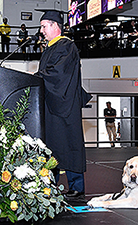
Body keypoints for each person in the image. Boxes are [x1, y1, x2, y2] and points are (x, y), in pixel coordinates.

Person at [35, 10, 92, 201]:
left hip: (65, 105)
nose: (41, 30)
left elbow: (58, 73)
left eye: (44, 26)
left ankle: (77, 186)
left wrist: (38, 78)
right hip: (52, 105)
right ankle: (50, 184)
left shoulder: (66, 46)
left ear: (55, 26)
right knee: (52, 146)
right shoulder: (50, 47)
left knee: (70, 143)